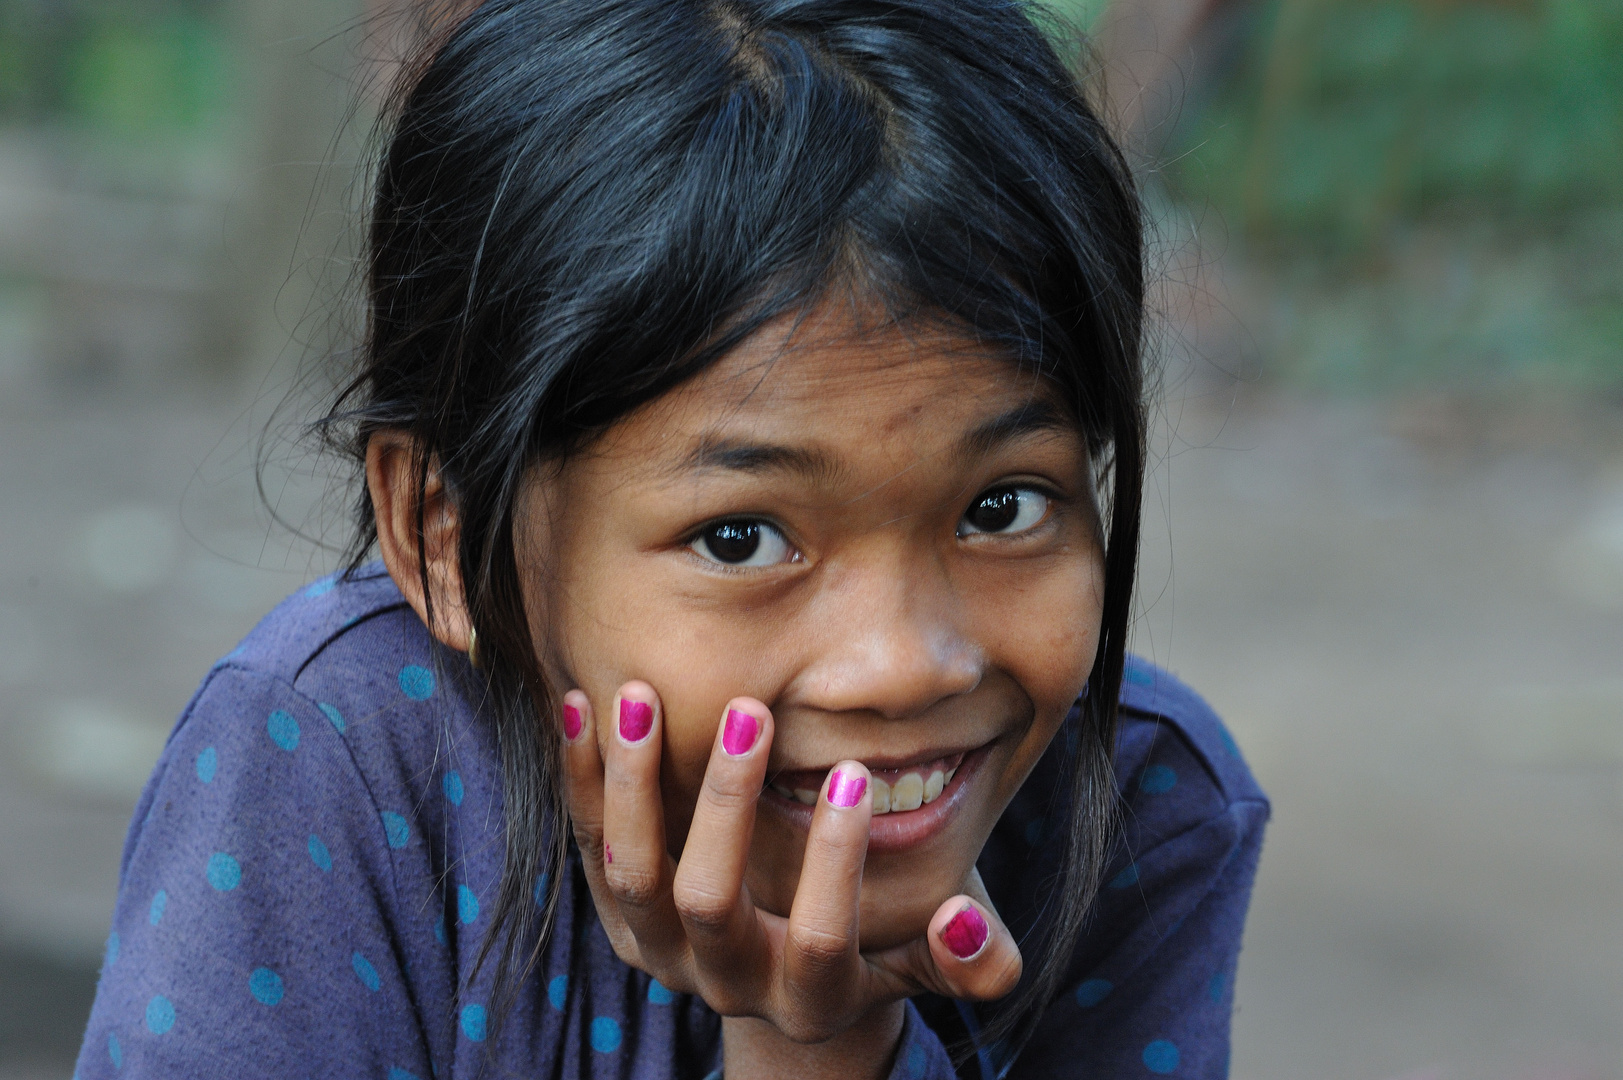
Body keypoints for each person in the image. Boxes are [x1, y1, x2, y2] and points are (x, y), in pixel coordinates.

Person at [74, 1, 1268, 1077]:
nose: (907, 662)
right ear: (443, 533)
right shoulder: (333, 762)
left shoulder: (1145, 810)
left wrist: (825, 1051)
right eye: (743, 537)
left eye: (1002, 508)